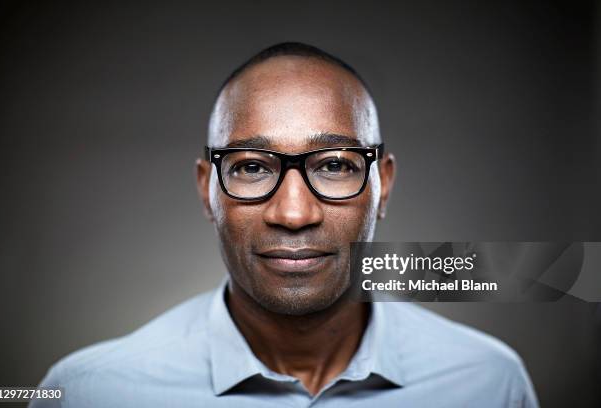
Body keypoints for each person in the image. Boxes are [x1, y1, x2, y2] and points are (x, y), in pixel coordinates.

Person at [32, 42, 538, 407]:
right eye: (251, 167)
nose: (294, 214)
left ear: (383, 185)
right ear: (207, 190)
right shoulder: (88, 392)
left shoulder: (489, 382)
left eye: (335, 165)